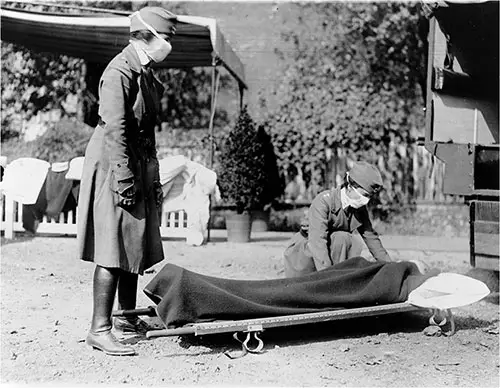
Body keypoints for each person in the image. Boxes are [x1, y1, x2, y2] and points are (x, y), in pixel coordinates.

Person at [77, 6, 177, 356]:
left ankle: (125, 317)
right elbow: (116, 131)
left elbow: (146, 128)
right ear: (146, 35)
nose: (169, 45)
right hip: (113, 162)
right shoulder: (120, 71)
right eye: (166, 38)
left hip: (136, 160)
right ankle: (99, 328)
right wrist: (124, 178)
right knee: (112, 244)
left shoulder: (145, 72)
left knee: (133, 240)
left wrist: (152, 173)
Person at [283, 161, 393, 278]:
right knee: (342, 238)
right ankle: (331, 280)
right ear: (350, 187)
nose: (366, 200)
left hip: (328, 252)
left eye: (369, 196)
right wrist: (328, 278)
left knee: (347, 240)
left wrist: (391, 267)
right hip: (305, 253)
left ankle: (339, 278)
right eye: (364, 195)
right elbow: (317, 242)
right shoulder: (324, 201)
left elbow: (371, 238)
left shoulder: (359, 209)